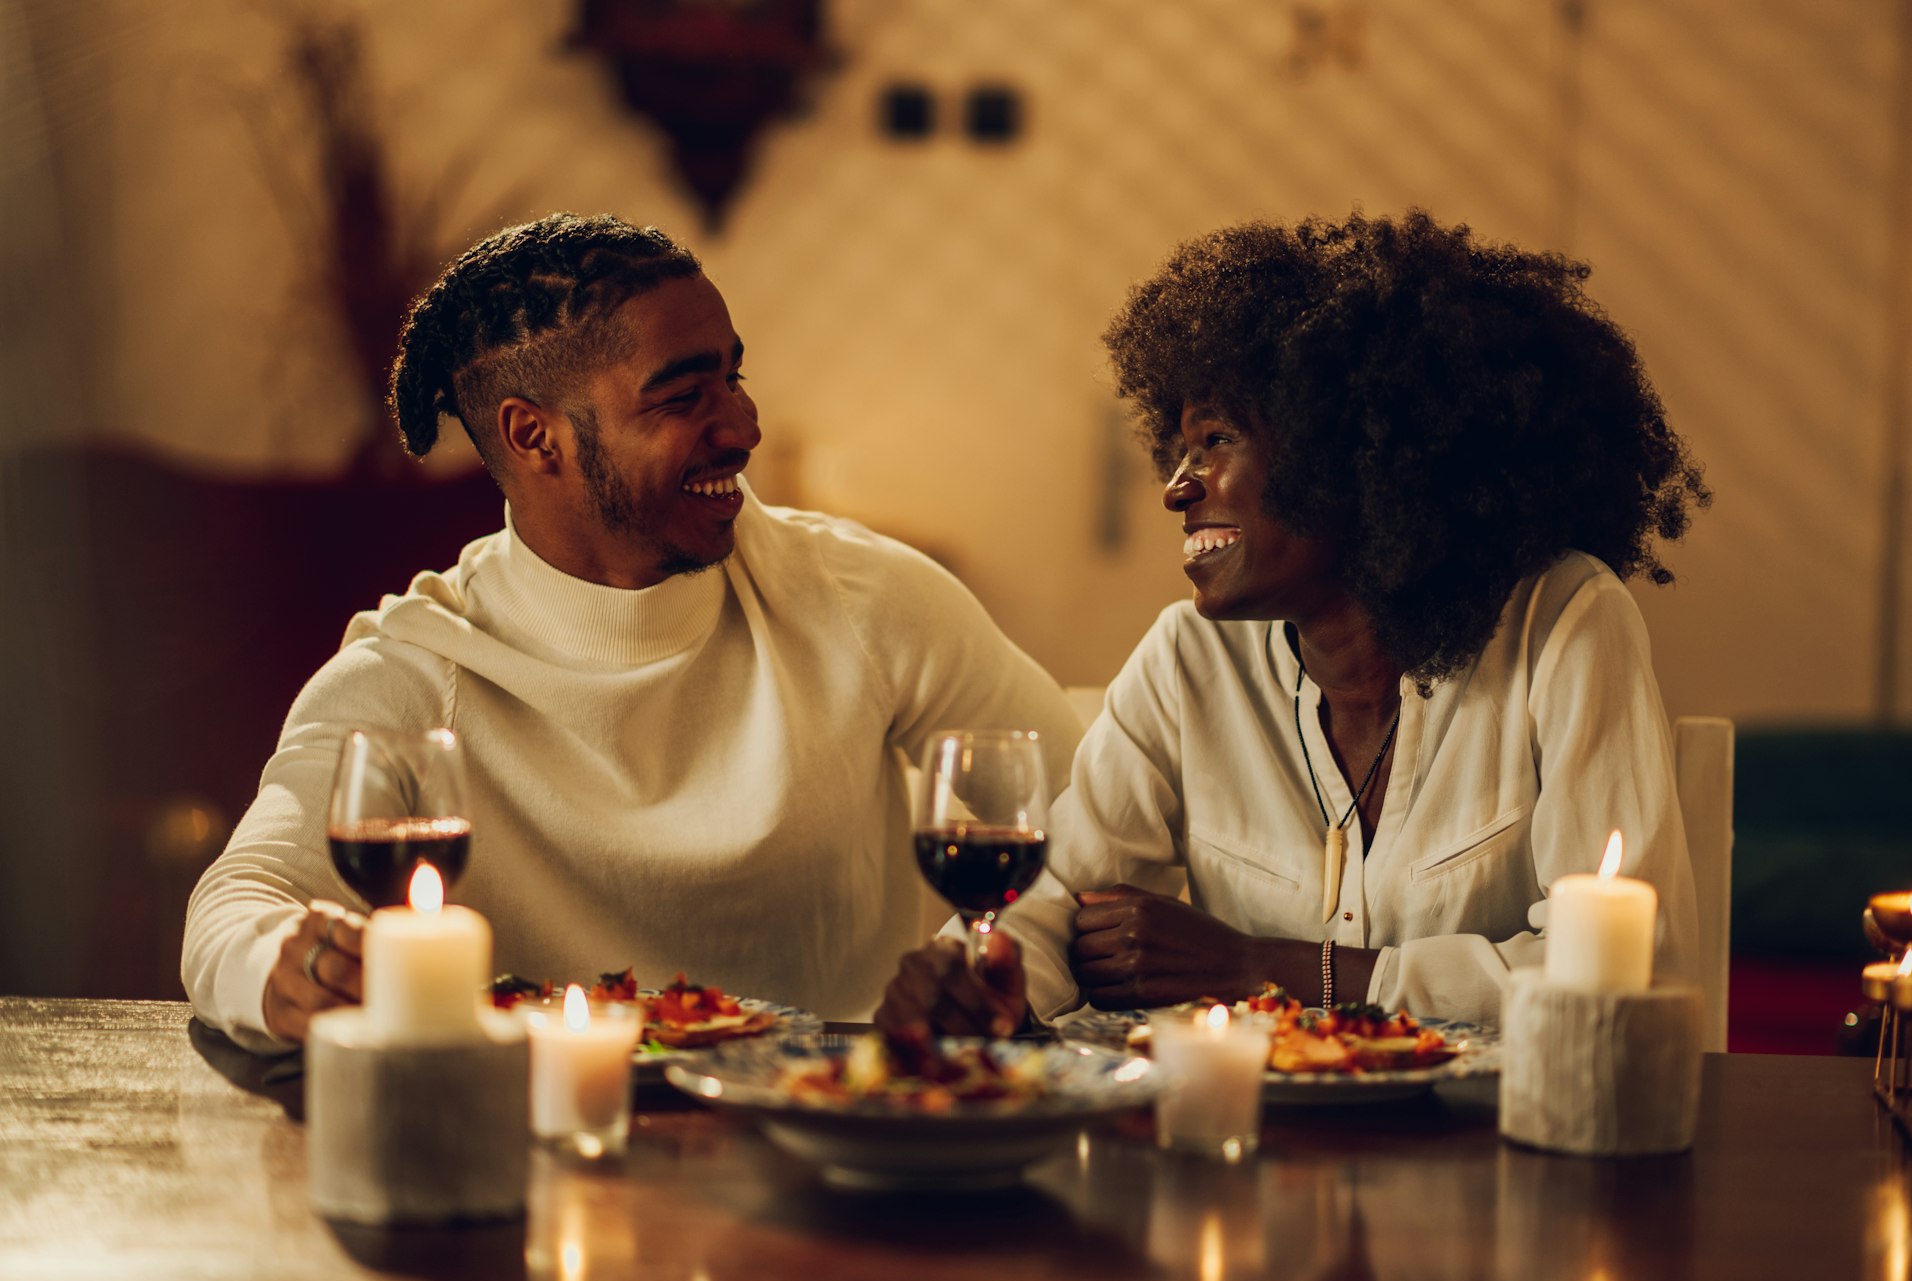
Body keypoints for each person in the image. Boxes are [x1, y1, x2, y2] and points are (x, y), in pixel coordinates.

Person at [182, 213, 1081, 1053]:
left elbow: (1085, 809)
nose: (742, 426)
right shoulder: (419, 669)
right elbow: (234, 906)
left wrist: (995, 966)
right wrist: (293, 970)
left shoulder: (862, 599)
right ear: (535, 437)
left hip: (843, 1146)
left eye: (734, 376)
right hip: (542, 1163)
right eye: (683, 396)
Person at [877, 209, 1710, 1035]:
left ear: (1350, 456)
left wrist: (1267, 969)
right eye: (1179, 449)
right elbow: (1059, 900)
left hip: (1502, 1149)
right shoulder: (1187, 661)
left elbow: (1628, 962)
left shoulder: (1562, 623)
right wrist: (976, 976)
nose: (1177, 486)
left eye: (1217, 440)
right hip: (1245, 1149)